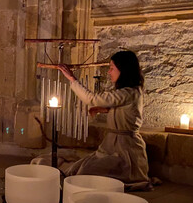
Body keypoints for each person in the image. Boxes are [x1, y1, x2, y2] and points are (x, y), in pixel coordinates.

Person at [54, 50, 151, 191]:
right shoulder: (130, 92)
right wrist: (107, 110)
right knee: (78, 167)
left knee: (85, 174)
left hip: (124, 150)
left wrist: (72, 79)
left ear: (123, 70)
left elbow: (91, 99)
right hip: (111, 145)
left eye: (112, 68)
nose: (109, 72)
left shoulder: (128, 92)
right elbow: (127, 111)